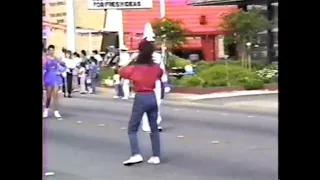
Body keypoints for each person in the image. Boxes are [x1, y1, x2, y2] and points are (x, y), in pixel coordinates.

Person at [120, 40, 162, 166]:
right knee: (153, 127)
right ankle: (156, 156)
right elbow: (160, 74)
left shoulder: (134, 68)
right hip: (152, 97)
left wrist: (131, 59)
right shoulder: (155, 68)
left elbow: (121, 71)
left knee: (132, 128)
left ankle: (135, 154)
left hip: (141, 97)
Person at [43, 45, 67, 119]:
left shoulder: (56, 59)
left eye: (52, 50)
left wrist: (62, 64)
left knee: (56, 96)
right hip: (48, 77)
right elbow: (44, 69)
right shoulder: (45, 59)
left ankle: (56, 112)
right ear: (48, 51)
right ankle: (46, 110)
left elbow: (61, 65)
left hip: (56, 77)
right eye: (50, 50)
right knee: (48, 96)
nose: (51, 51)